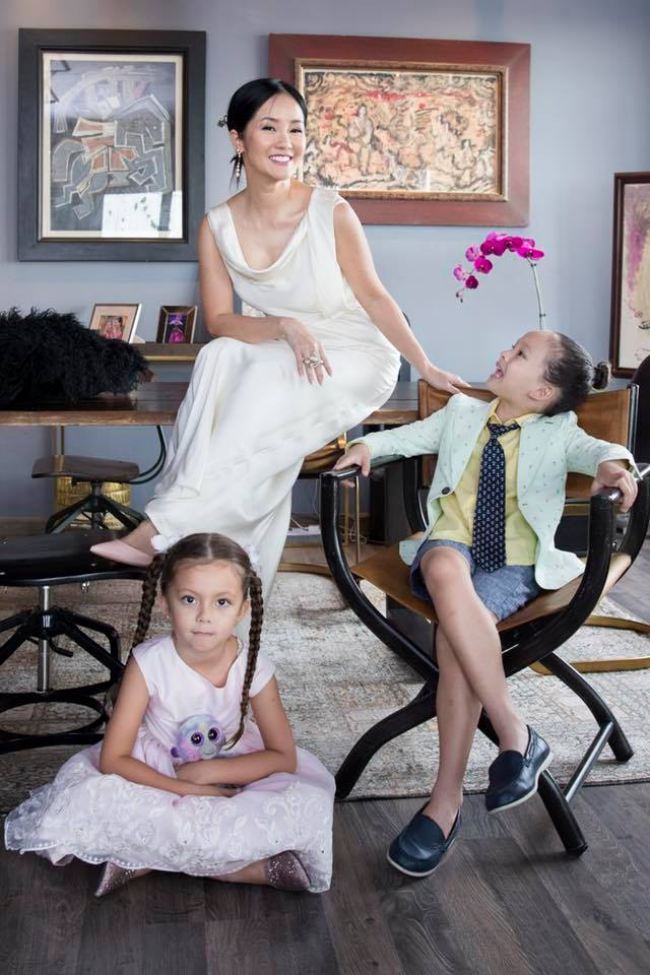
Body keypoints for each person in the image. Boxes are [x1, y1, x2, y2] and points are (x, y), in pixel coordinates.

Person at [90, 77, 466, 589]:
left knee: (254, 384)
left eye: (296, 128)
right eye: (269, 127)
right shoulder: (217, 226)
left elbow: (375, 297)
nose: (286, 141)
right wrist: (285, 326)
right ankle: (220, 571)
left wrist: (425, 366)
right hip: (284, 343)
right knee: (219, 356)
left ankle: (163, 530)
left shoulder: (331, 211)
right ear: (238, 138)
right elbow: (220, 320)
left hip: (353, 352)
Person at [334, 329, 638, 878]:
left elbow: (601, 453)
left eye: (520, 354)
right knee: (443, 567)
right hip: (448, 547)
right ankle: (514, 733)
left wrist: (617, 467)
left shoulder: (560, 431)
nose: (503, 353)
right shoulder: (461, 413)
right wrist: (365, 448)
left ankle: (444, 802)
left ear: (542, 393)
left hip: (514, 566)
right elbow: (404, 438)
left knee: (456, 635)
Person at [4, 533, 335, 896]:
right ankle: (241, 868)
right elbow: (114, 759)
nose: (204, 616)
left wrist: (211, 773)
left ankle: (143, 857)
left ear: (243, 609)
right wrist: (186, 788)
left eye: (222, 602)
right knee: (91, 799)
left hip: (234, 768)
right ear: (165, 601)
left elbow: (284, 757)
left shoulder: (254, 667)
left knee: (306, 802)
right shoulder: (148, 663)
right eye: (189, 599)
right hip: (153, 771)